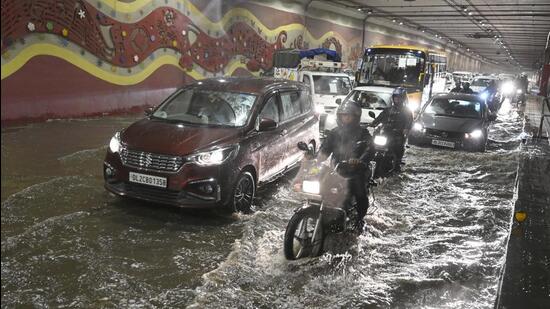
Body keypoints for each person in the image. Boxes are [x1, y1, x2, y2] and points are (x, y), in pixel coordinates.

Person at [317, 101, 373, 231]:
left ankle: (360, 219)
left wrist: (359, 160)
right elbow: (325, 149)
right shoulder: (334, 133)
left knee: (360, 193)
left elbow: (370, 149)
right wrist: (317, 158)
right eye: (343, 115)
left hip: (356, 170)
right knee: (319, 186)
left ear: (356, 117)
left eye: (349, 116)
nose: (345, 118)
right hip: (337, 168)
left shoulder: (363, 133)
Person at [369, 87, 413, 172]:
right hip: (385, 133)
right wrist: (372, 124)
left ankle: (397, 165)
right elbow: (379, 118)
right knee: (372, 143)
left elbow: (409, 121)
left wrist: (406, 129)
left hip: (398, 135)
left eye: (399, 97)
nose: (397, 99)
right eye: (395, 97)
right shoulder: (388, 110)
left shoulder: (407, 111)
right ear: (393, 98)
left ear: (403, 98)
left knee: (398, 147)